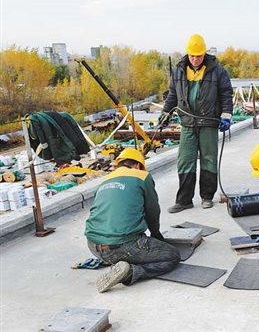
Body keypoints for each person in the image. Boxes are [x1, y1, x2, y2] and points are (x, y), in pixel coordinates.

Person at [85, 148, 180, 293]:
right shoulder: (142, 176)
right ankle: (131, 272)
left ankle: (118, 263)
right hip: (123, 245)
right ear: (137, 165)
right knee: (172, 256)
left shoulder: (105, 180)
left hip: (93, 246)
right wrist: (156, 234)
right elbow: (152, 211)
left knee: (128, 249)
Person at [160, 34, 233, 212]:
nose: (195, 59)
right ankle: (184, 200)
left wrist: (226, 115)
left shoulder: (217, 70)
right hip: (188, 122)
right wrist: (165, 113)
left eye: (198, 55)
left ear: (204, 53)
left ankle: (207, 196)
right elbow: (173, 95)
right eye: (192, 55)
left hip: (208, 121)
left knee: (208, 160)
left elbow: (225, 94)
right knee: (185, 160)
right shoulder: (179, 71)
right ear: (188, 53)